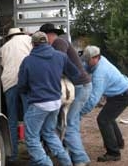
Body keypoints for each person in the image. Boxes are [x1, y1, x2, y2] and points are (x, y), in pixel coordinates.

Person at [17, 31, 80, 166]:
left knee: (32, 138)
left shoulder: (28, 61)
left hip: (39, 104)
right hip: (56, 102)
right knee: (49, 133)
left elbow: (21, 85)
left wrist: (28, 91)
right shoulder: (60, 56)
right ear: (47, 42)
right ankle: (66, 162)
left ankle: (45, 163)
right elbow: (75, 73)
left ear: (33, 44)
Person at [40, 23, 92, 166]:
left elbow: (58, 63)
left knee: (69, 125)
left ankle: (81, 159)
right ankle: (72, 155)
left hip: (80, 86)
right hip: (81, 85)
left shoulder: (58, 43)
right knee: (67, 123)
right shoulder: (60, 43)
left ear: (48, 35)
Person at [80, 45, 128, 162]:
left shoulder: (100, 74)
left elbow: (94, 98)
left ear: (95, 58)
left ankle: (113, 153)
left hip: (122, 96)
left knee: (103, 119)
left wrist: (80, 113)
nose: (86, 63)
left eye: (87, 60)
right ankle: (118, 143)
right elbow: (84, 67)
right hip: (121, 93)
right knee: (109, 117)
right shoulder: (99, 59)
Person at [0, 27, 32, 163]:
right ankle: (32, 152)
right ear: (21, 33)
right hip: (26, 82)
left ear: (9, 36)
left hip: (9, 83)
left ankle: (13, 155)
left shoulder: (4, 47)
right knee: (29, 119)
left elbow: (2, 64)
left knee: (12, 119)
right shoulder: (29, 40)